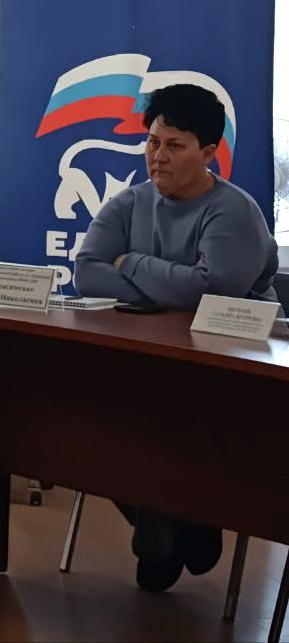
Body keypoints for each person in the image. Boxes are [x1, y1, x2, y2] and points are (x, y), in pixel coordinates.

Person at [74, 82, 279, 592]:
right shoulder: (130, 202)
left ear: (208, 153)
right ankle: (183, 524)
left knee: (160, 414)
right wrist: (169, 285)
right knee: (89, 414)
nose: (158, 157)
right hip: (148, 356)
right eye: (152, 143)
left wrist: (132, 263)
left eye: (175, 146)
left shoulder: (232, 210)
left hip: (229, 367)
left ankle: (174, 521)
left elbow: (213, 290)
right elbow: (87, 274)